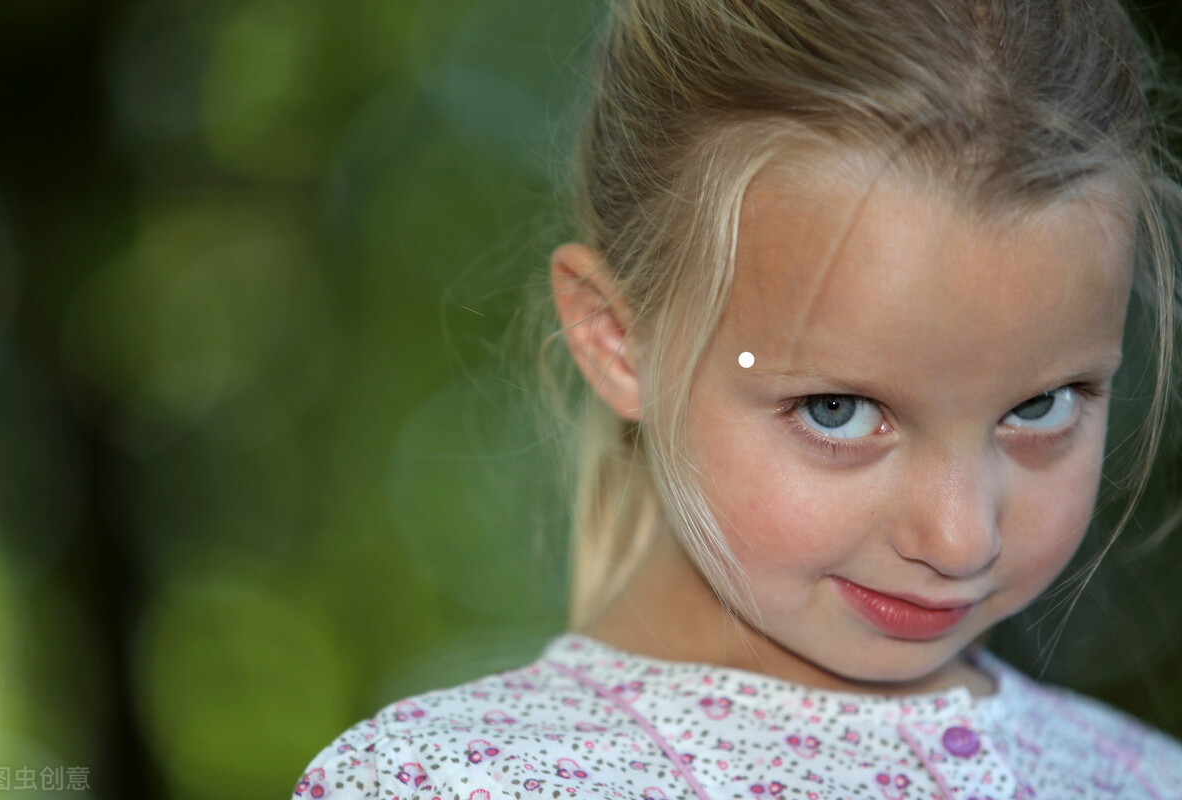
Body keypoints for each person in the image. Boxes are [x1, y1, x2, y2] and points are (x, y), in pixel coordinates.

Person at [295, 0, 1182, 796]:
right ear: (618, 339)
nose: (961, 538)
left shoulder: (1140, 776)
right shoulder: (445, 783)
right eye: (837, 410)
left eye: (1042, 407)